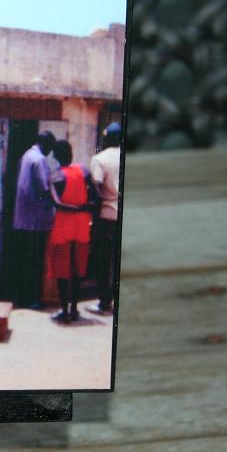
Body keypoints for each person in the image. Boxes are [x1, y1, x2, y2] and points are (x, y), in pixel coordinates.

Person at [47, 140, 94, 323]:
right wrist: (83, 209)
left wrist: (76, 208)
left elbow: (57, 203)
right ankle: (74, 309)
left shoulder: (55, 176)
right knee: (77, 269)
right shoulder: (84, 172)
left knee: (62, 270)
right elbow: (94, 198)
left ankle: (64, 311)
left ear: (57, 157)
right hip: (82, 225)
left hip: (63, 226)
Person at [11, 130, 56, 308]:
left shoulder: (26, 156)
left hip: (22, 219)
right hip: (36, 220)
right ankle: (33, 299)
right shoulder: (39, 160)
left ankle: (21, 297)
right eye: (50, 148)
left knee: (23, 260)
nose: (50, 152)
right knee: (35, 262)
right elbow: (45, 189)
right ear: (45, 144)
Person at [88, 122, 122, 315]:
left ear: (107, 138)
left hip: (107, 216)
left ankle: (104, 303)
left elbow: (97, 189)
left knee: (104, 261)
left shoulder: (99, 159)